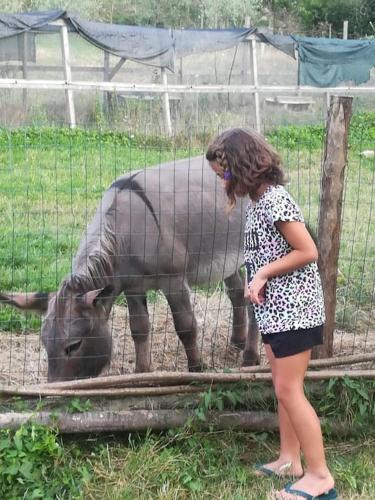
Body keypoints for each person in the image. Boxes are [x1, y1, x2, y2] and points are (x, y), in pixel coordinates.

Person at [206, 128, 337, 500]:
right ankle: (288, 459)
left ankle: (319, 476)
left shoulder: (275, 200)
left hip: (295, 310)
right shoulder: (260, 200)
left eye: (225, 175)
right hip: (276, 311)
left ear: (243, 166)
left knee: (288, 388)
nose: (224, 184)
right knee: (283, 387)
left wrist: (262, 273)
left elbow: (307, 250)